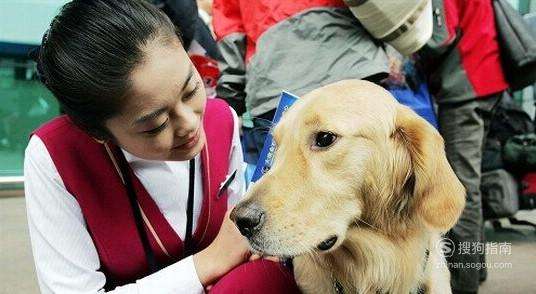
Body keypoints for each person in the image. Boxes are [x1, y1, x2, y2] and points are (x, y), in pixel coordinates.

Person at [24, 1, 300, 293]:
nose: (189, 124)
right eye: (155, 125)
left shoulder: (223, 120)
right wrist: (205, 263)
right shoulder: (55, 155)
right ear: (98, 132)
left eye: (191, 89)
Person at [212, 0, 390, 162]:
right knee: (386, 180)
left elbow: (230, 35)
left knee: (284, 191)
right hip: (353, 65)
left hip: (275, 88)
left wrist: (231, 103)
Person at [417, 0, 509, 293]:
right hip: (486, 79)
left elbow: (440, 37)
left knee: (461, 191)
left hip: (465, 86)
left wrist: (407, 49)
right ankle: (476, 268)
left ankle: (462, 284)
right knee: (472, 183)